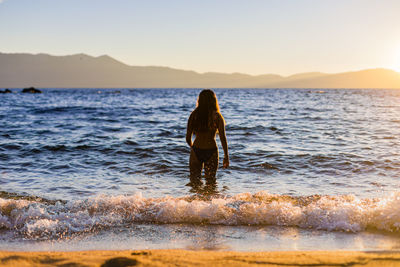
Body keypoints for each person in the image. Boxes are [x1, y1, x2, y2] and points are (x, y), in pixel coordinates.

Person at [186, 89, 229, 185]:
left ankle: (196, 200)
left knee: (194, 182)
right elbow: (223, 138)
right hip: (211, 150)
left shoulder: (194, 115)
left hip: (196, 149)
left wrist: (193, 148)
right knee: (211, 182)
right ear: (213, 101)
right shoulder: (217, 116)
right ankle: (209, 200)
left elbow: (188, 137)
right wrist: (226, 156)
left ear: (199, 100)